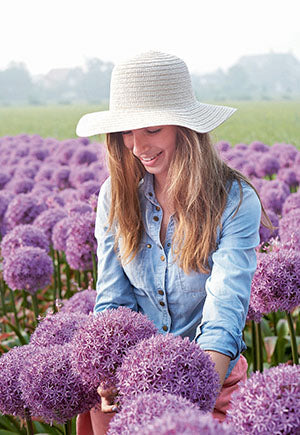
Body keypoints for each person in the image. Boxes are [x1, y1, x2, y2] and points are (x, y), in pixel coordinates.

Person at [75, 51, 270, 435]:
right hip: (127, 388)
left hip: (210, 385)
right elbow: (112, 301)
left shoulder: (235, 200)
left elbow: (224, 316)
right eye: (127, 131)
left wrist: (186, 407)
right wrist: (109, 374)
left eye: (151, 129)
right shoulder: (114, 196)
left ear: (185, 127)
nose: (137, 145)